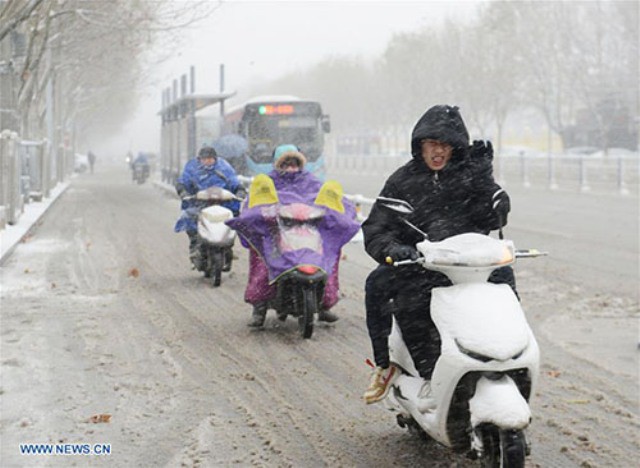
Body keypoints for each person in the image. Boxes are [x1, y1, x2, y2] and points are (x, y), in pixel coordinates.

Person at [360, 105, 515, 409]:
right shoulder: (402, 181)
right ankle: (386, 364)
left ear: (455, 147)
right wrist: (394, 250)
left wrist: (485, 180)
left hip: (470, 267)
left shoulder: (470, 176)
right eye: (431, 144)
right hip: (419, 266)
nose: (438, 151)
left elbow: (493, 218)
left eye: (444, 144)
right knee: (380, 286)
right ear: (420, 146)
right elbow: (376, 229)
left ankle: (506, 355)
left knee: (504, 279)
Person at [242, 144, 353, 327]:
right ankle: (260, 305)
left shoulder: (311, 181)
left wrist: (336, 213)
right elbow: (253, 203)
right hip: (276, 232)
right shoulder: (267, 182)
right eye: (286, 164)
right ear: (278, 164)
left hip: (309, 230)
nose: (291, 168)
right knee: (262, 257)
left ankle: (325, 303)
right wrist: (262, 215)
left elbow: (329, 200)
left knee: (329, 255)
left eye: (294, 164)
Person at [174, 146, 240, 268]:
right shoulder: (192, 168)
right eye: (205, 159)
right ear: (200, 159)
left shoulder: (224, 167)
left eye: (210, 159)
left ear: (215, 159)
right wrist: (183, 191)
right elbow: (183, 181)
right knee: (189, 217)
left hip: (223, 203)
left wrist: (240, 191)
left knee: (235, 220)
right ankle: (195, 246)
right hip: (199, 204)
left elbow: (234, 181)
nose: (207, 161)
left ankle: (229, 245)